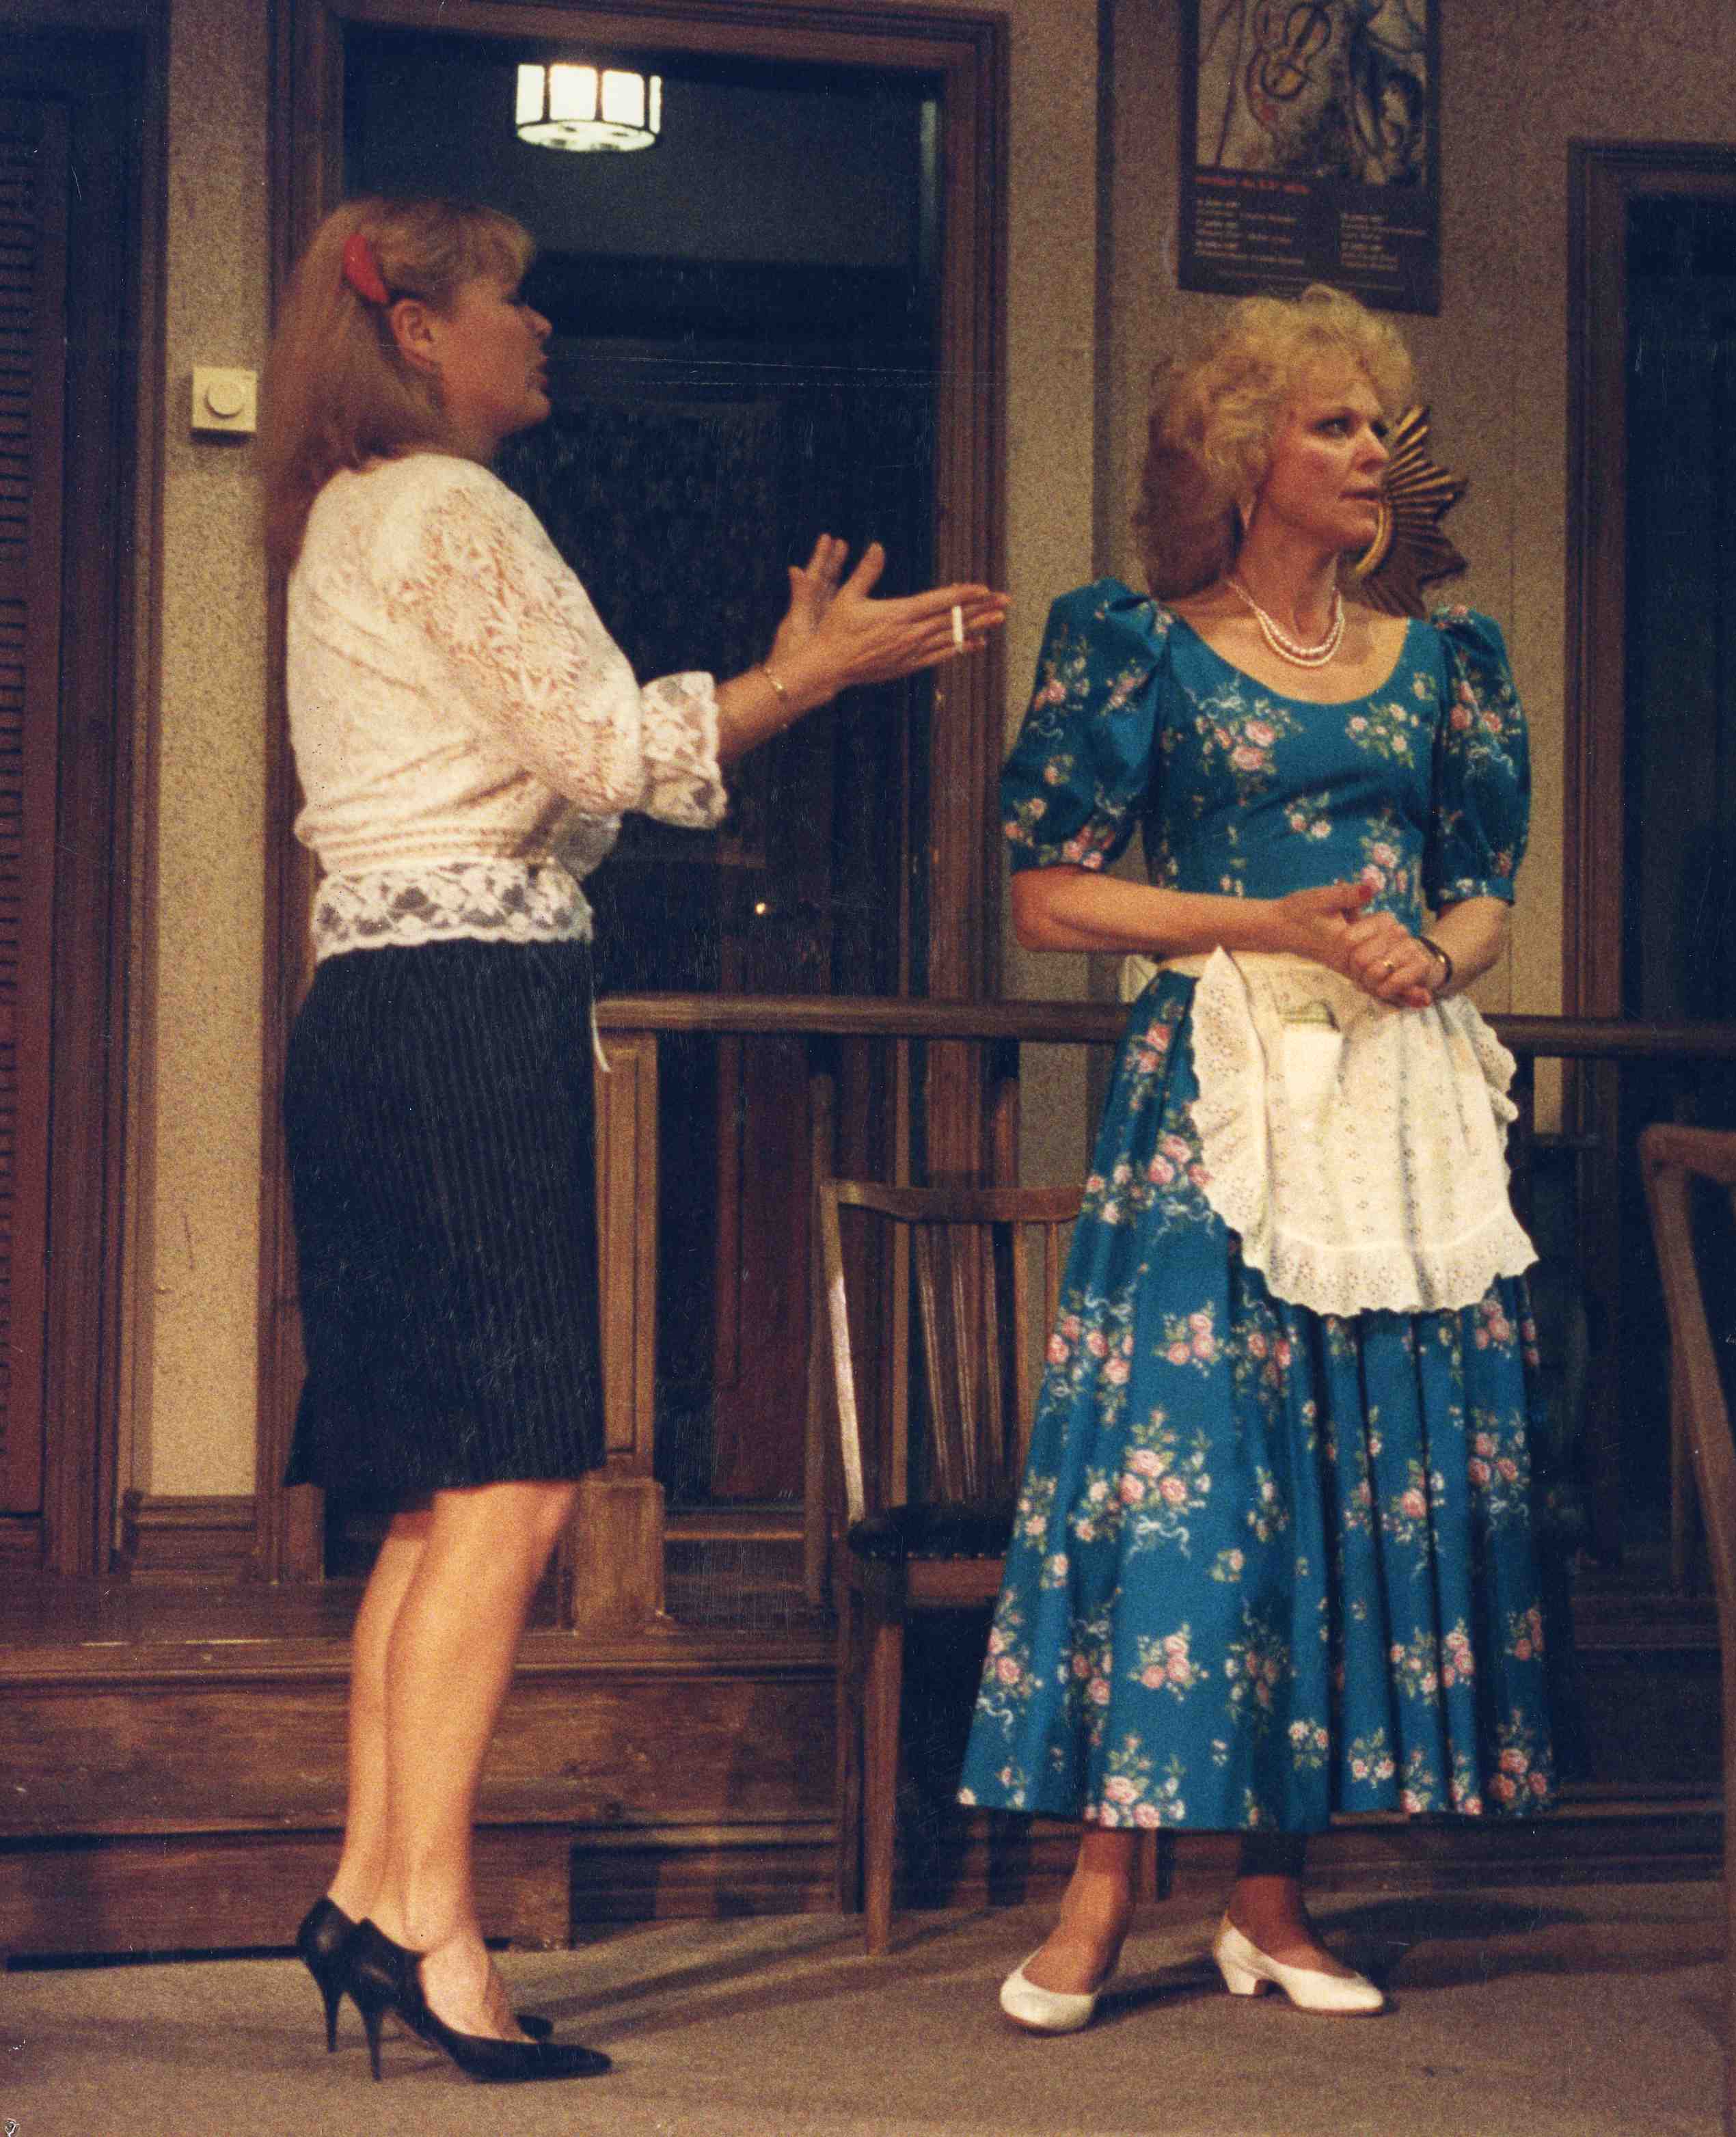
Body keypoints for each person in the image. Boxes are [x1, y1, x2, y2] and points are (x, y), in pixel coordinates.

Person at [260, 195, 1005, 2084]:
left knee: (440, 1494)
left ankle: (370, 1890)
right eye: (513, 301)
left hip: (378, 1012)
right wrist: (805, 676)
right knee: (514, 1486)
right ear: (420, 332)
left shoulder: (354, 515)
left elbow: (564, 797)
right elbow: (615, 755)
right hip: (462, 1018)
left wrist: (755, 684)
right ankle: (433, 1932)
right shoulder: (452, 505)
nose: (541, 329)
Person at [964, 284, 1552, 2034]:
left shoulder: (1448, 663)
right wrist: (1265, 923)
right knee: (1194, 1478)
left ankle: (1274, 1896)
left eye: (1379, 426)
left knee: (1343, 1470)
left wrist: (1435, 955)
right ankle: (1098, 1889)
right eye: (1333, 426)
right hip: (1215, 1096)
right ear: (1242, 455)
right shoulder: (1137, 646)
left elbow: (1484, 889)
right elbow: (1049, 895)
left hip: (1389, 1102)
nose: (1373, 455)